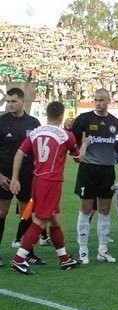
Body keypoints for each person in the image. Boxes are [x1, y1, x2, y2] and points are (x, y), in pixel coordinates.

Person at [9, 101, 87, 275]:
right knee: (41, 220)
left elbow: (19, 153)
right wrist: (86, 144)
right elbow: (79, 158)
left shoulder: (36, 132)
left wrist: (15, 178)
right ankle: (19, 259)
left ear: (47, 114)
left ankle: (64, 258)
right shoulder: (66, 135)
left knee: (54, 219)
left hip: (37, 180)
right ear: (61, 116)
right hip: (51, 182)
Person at [73, 88, 118, 264]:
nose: (98, 103)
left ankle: (103, 250)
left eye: (102, 100)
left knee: (105, 210)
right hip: (88, 169)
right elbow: (72, 143)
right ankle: (83, 249)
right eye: (96, 100)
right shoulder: (83, 120)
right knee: (86, 208)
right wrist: (79, 149)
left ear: (109, 101)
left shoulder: (115, 123)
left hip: (107, 171)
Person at [0, 87, 44, 267]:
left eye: (14, 101)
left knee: (27, 213)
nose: (10, 105)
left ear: (23, 101)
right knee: (1, 212)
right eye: (8, 101)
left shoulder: (33, 122)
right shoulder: (1, 122)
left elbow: (39, 150)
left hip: (27, 173)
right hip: (4, 172)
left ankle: (27, 252)